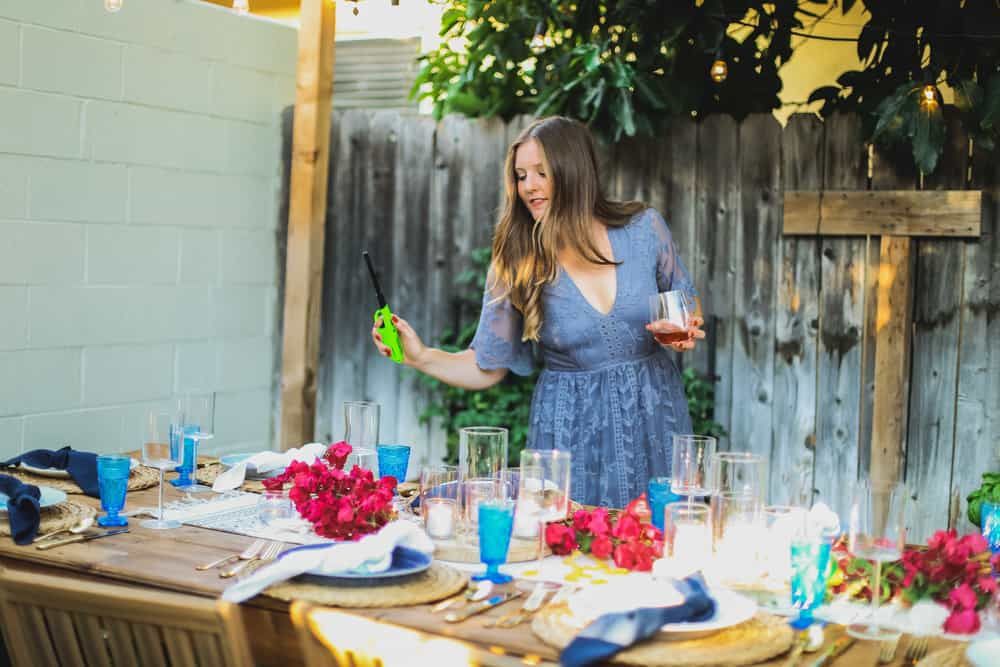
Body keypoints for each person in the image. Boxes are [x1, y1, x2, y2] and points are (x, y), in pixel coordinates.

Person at [371, 116, 704, 507]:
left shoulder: (645, 228)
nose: (528, 186)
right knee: (571, 548)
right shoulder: (516, 261)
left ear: (574, 171)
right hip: (570, 436)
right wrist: (421, 356)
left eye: (540, 173)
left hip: (653, 417)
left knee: (663, 538)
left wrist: (680, 330)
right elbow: (486, 365)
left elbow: (686, 303)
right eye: (520, 175)